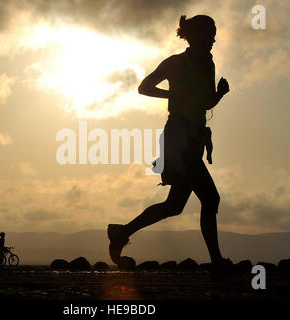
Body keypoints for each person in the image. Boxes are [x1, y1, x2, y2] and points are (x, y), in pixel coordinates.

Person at [108, 15, 231, 277]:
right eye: (209, 33)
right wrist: (172, 94)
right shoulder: (176, 63)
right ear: (193, 35)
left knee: (174, 205)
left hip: (196, 139)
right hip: (178, 138)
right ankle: (218, 263)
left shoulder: (209, 65)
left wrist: (219, 94)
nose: (213, 39)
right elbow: (144, 87)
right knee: (210, 198)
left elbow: (205, 103)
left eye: (214, 33)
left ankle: (122, 231)